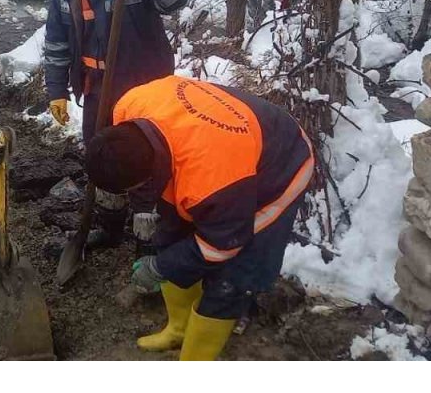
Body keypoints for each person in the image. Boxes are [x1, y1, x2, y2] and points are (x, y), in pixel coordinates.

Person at [83, 74, 315, 361]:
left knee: (230, 279)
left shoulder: (213, 180)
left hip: (280, 165)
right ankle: (179, 330)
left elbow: (223, 243)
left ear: (145, 177)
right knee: (169, 237)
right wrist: (166, 259)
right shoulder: (129, 105)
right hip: (216, 147)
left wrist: (160, 267)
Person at [43, 0, 188, 248]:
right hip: (97, 88)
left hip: (145, 91)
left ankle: (147, 239)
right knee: (103, 157)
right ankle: (108, 229)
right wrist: (56, 92)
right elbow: (55, 42)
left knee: (144, 158)